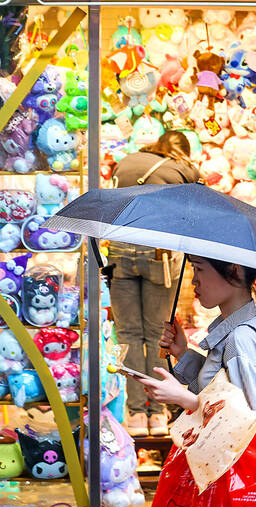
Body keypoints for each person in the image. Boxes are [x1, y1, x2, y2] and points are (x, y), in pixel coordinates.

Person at [136, 255, 256, 507]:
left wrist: (185, 398)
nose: (194, 281)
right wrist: (182, 353)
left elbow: (246, 425)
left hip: (235, 487)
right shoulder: (236, 332)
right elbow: (222, 389)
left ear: (234, 271)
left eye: (199, 270)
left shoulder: (240, 338)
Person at [108, 131, 201, 437]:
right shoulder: (179, 166)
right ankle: (158, 413)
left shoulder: (128, 162)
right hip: (159, 256)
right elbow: (197, 199)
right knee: (156, 333)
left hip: (120, 250)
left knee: (128, 333)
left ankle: (135, 415)